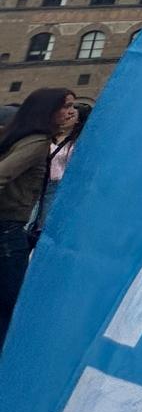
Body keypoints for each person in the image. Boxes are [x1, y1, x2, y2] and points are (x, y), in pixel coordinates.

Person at [0, 88, 78, 347]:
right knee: (11, 303)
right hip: (8, 231)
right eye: (65, 105)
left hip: (8, 228)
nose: (71, 111)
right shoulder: (37, 142)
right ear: (47, 109)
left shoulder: (17, 136)